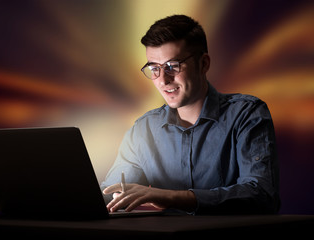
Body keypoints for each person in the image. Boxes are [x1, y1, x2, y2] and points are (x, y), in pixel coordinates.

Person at [101, 15, 280, 214]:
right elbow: (111, 192)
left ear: (203, 64)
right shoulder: (143, 129)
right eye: (154, 68)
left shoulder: (247, 114)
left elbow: (262, 195)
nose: (163, 80)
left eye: (172, 66)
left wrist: (170, 197)